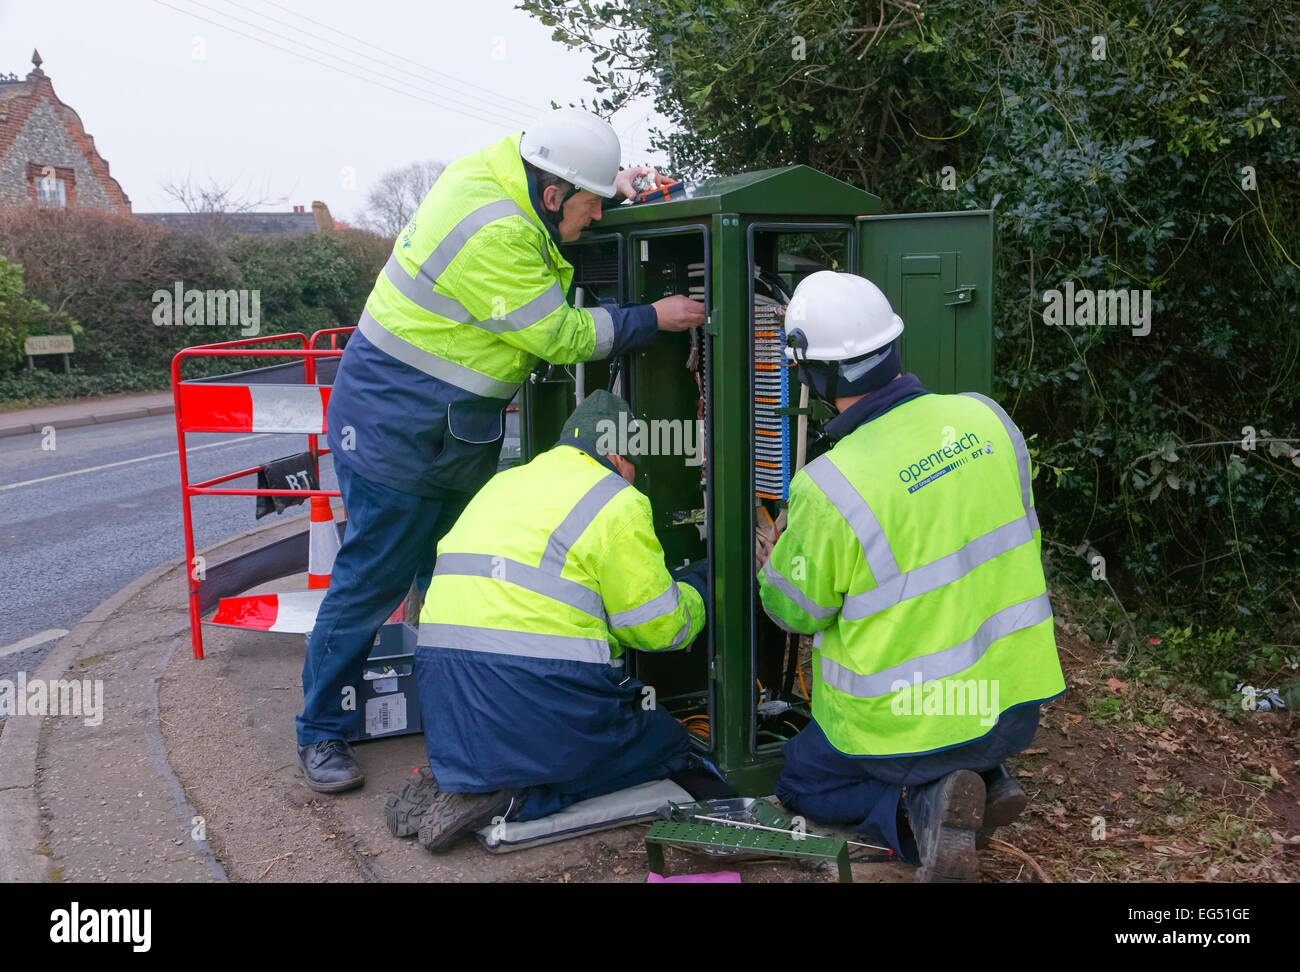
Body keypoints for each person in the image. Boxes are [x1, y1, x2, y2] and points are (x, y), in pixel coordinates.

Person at [296, 110, 706, 792]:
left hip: (448, 427)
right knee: (372, 581)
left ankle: (456, 716)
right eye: (589, 206)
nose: (598, 219)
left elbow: (558, 239)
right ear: (552, 195)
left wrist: (609, 186)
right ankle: (320, 732)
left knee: (458, 581)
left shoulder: (513, 184)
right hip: (396, 428)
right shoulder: (495, 229)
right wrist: (652, 319)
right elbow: (561, 336)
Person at [758, 271, 1066, 882]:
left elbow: (795, 613)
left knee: (801, 780)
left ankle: (917, 809)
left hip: (903, 724)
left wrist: (777, 562)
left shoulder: (830, 486)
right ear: (893, 347)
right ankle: (986, 773)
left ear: (814, 375)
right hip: (1010, 708)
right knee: (960, 737)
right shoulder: (988, 420)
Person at [384, 391, 713, 852]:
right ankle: (513, 798)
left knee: (534, 737)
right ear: (616, 455)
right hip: (533, 689)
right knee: (665, 744)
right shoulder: (617, 500)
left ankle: (460, 778)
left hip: (443, 690)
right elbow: (659, 629)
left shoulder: (503, 483)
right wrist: (700, 590)